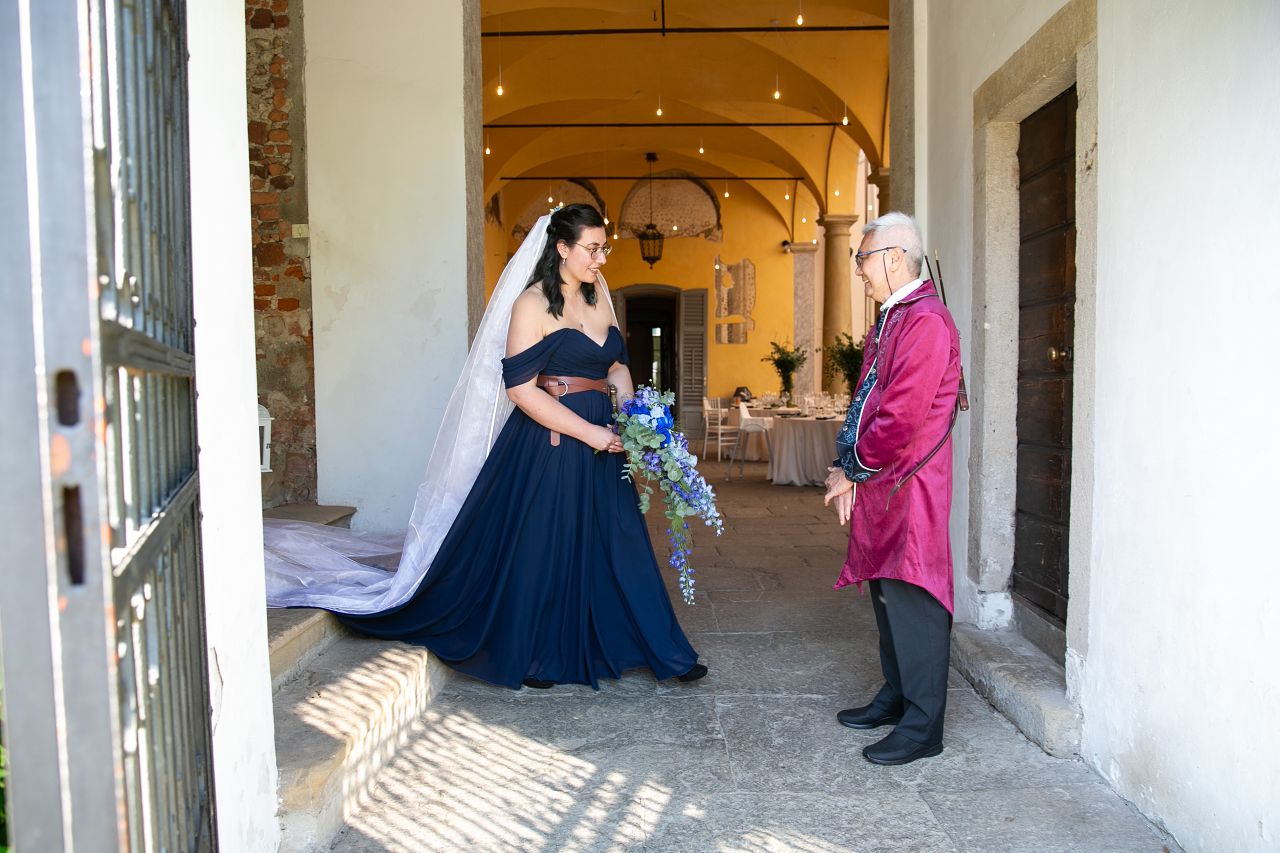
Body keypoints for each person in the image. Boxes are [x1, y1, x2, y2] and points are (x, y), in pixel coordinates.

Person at [264, 203, 706, 689]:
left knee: (619, 537)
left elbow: (616, 364)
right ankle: (538, 652)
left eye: (605, 249)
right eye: (593, 249)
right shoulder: (531, 305)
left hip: (606, 437)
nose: (601, 259)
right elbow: (521, 390)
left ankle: (661, 646)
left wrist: (633, 416)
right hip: (553, 439)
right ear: (562, 248)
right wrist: (591, 433)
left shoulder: (598, 293)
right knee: (547, 541)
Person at [823, 211, 962, 766]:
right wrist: (849, 465)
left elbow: (901, 416)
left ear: (896, 257)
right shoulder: (895, 316)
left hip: (911, 482)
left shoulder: (925, 321)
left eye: (863, 258)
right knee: (886, 589)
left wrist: (851, 469)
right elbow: (868, 400)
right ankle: (899, 694)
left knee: (913, 592)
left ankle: (924, 725)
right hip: (886, 479)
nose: (858, 269)